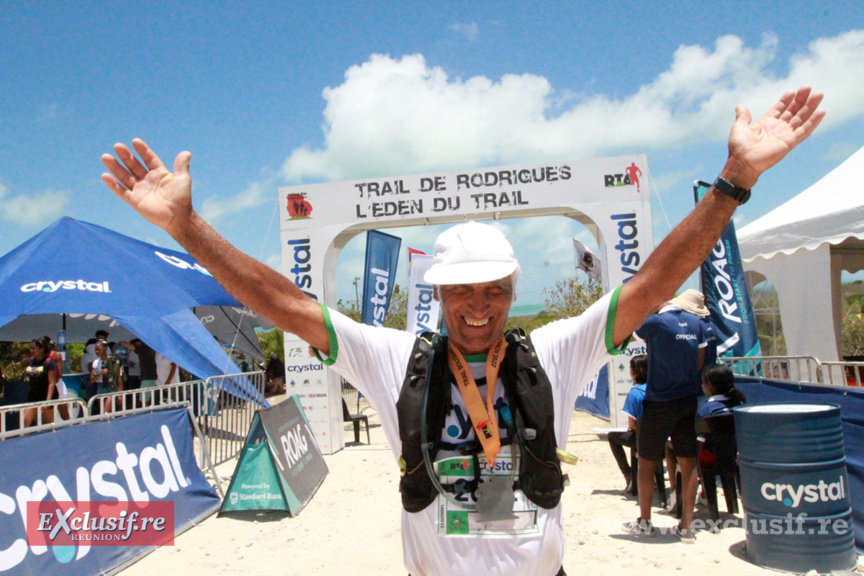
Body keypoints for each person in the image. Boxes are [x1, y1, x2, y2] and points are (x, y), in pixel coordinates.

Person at [101, 87, 824, 575]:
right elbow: (281, 300)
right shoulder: (394, 359)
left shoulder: (555, 352)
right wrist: (188, 228)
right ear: (437, 294)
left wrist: (734, 180)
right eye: (461, 292)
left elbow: (652, 284)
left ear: (512, 289)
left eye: (495, 290)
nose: (478, 306)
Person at [628, 291, 708, 543]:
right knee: (688, 461)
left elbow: (632, 335)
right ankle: (686, 527)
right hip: (687, 399)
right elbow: (699, 361)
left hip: (659, 401)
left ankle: (644, 521)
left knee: (647, 460)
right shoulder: (696, 322)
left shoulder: (655, 322)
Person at [607, 354, 648, 494]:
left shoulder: (635, 393)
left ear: (635, 371)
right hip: (663, 439)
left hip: (644, 440)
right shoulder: (661, 389)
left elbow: (633, 425)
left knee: (612, 436)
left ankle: (629, 475)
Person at [23, 336, 60, 427]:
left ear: (41, 349)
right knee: (25, 420)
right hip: (34, 395)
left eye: (33, 349)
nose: (31, 351)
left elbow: (51, 383)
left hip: (46, 394)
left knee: (49, 423)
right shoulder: (30, 361)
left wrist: (48, 401)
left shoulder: (49, 362)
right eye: (30, 349)